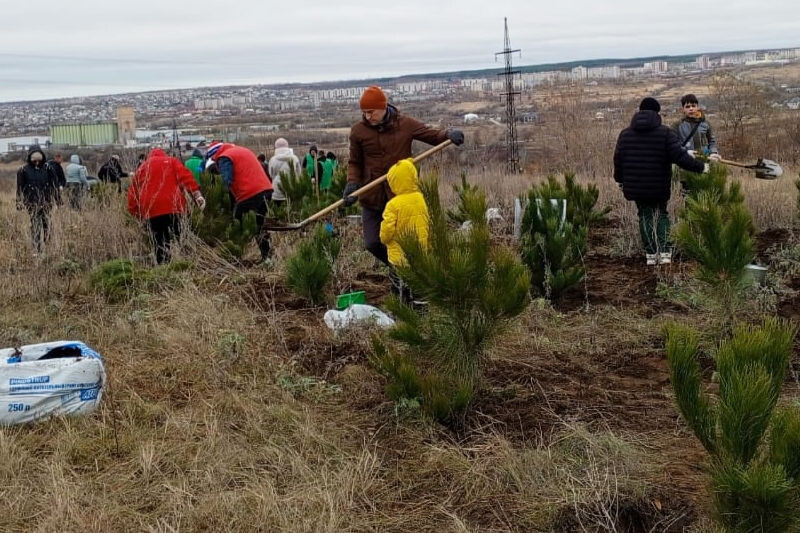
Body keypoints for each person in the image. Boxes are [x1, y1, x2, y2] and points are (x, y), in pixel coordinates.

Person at [345, 85, 464, 265]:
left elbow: (430, 134)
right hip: (372, 195)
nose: (368, 117)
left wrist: (448, 134)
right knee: (372, 242)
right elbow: (355, 162)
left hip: (400, 196)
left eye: (371, 112)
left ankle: (408, 279)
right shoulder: (359, 131)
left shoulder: (405, 124)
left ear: (383, 107)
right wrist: (352, 183)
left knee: (408, 242)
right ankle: (398, 269)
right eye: (364, 113)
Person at [614, 97, 707, 266]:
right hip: (659, 185)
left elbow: (618, 160)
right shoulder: (665, 133)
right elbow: (680, 157)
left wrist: (620, 180)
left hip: (635, 186)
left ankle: (650, 254)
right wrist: (700, 167)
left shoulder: (625, 134)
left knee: (644, 216)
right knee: (662, 215)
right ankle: (665, 253)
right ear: (657, 113)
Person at [127, 148, 205, 264]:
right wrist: (197, 195)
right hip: (175, 206)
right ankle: (187, 263)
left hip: (152, 210)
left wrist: (139, 216)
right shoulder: (172, 162)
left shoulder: (142, 169)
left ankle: (164, 267)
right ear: (163, 155)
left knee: (160, 242)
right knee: (182, 237)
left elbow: (133, 196)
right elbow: (186, 178)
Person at [205, 142, 274, 261]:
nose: (213, 160)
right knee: (257, 225)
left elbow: (226, 182)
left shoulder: (225, 157)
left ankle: (233, 258)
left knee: (237, 226)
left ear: (215, 153)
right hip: (266, 190)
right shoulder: (241, 150)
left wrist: (215, 196)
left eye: (212, 158)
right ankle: (268, 257)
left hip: (249, 193)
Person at [380, 158, 429, 303]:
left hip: (399, 257)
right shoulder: (421, 198)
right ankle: (421, 311)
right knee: (419, 285)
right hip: (420, 252)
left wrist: (383, 237)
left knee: (398, 286)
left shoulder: (393, 205)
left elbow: (386, 233)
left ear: (394, 182)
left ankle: (402, 313)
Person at [16, 147, 60, 256]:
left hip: (46, 202)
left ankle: (48, 245)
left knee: (47, 224)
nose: (36, 163)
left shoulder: (48, 169)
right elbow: (20, 188)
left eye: (39, 161)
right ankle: (37, 249)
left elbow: (55, 186)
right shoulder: (23, 170)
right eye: (34, 161)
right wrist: (19, 202)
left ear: (42, 160)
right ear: (30, 160)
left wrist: (58, 201)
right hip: (32, 203)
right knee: (35, 225)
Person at [673, 94, 720, 159]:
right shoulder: (677, 125)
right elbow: (672, 144)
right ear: (683, 109)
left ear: (697, 107)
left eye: (693, 106)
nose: (691, 109)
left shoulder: (705, 123)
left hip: (705, 159)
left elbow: (711, 141)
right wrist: (685, 152)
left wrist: (713, 153)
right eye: (687, 107)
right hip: (685, 161)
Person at [267, 137, 302, 208]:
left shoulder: (272, 160)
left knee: (278, 213)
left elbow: (271, 174)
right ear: (287, 146)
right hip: (292, 189)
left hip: (277, 191)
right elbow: (299, 173)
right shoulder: (294, 158)